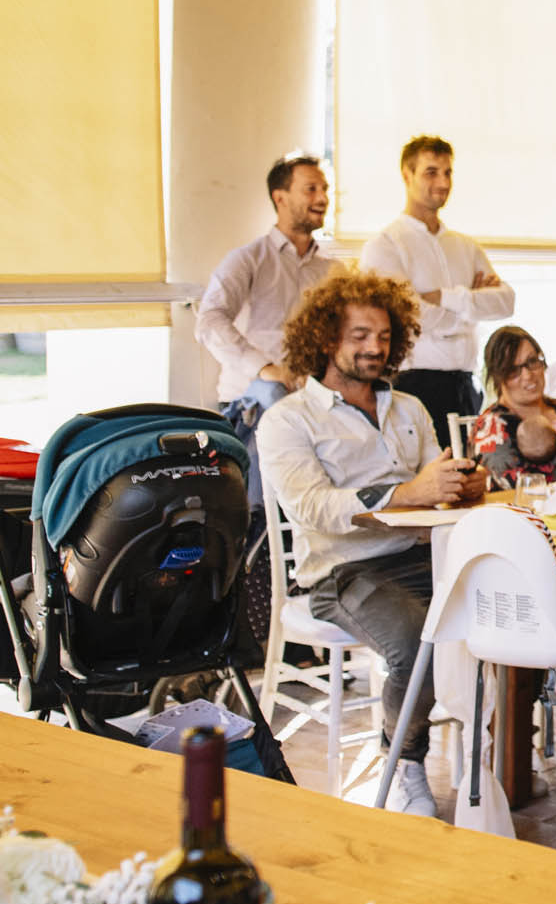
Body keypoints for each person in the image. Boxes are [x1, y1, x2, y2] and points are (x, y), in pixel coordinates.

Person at [258, 270, 488, 817]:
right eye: (359, 335)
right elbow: (313, 508)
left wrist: (461, 483)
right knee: (416, 639)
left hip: (424, 555)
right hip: (342, 572)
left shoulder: (407, 408)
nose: (374, 347)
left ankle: (493, 762)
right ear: (324, 339)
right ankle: (403, 764)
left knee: (505, 603)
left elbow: (436, 478)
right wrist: (405, 492)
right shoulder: (287, 420)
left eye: (383, 336)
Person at [359, 136, 517, 448]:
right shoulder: (385, 245)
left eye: (448, 172)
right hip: (414, 386)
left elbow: (505, 302)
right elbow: (410, 318)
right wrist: (471, 307)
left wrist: (446, 297)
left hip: (466, 387)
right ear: (407, 174)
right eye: (432, 172)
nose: (443, 182)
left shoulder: (465, 246)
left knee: (470, 482)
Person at [197, 155, 339, 407]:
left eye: (324, 189)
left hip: (312, 402)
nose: (322, 199)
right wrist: (265, 368)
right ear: (280, 198)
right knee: (272, 394)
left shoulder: (333, 270)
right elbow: (210, 320)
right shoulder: (247, 260)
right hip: (250, 403)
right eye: (311, 189)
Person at [469, 326, 556, 488]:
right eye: (513, 370)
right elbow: (518, 489)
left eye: (532, 361)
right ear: (498, 376)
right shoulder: (492, 428)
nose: (528, 375)